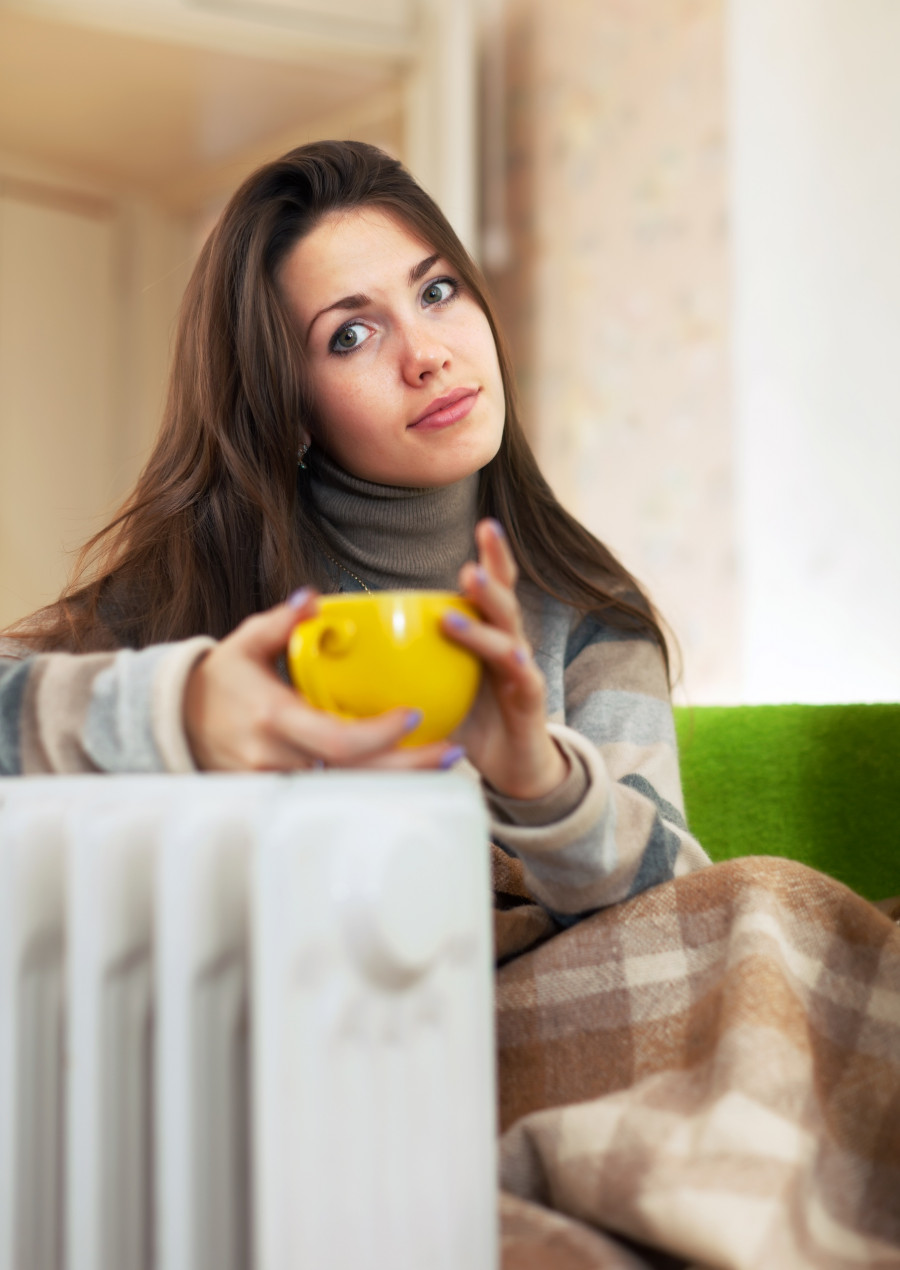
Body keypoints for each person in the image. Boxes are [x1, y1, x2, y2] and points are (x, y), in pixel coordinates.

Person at [0, 139, 707, 918]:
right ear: (290, 410)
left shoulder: (585, 613)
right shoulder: (192, 601)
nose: (428, 355)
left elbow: (680, 908)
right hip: (287, 1013)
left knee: (768, 907)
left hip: (534, 1013)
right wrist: (180, 713)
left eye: (437, 291)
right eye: (350, 335)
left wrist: (539, 782)